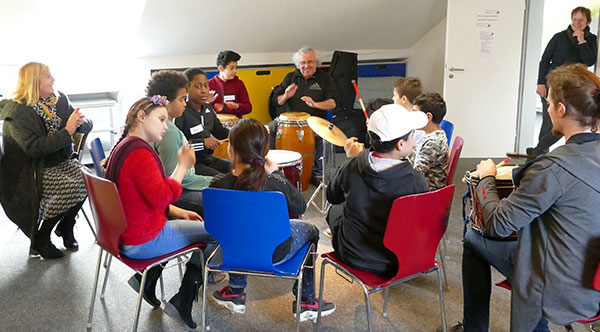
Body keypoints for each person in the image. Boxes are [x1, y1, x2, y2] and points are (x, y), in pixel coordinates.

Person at [456, 63, 600, 332]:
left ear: (561, 109)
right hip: (593, 278)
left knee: (473, 238)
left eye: (548, 103)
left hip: (562, 287)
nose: (546, 109)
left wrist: (486, 177)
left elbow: (497, 224)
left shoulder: (553, 169)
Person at [104, 96, 218, 331]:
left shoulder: (125, 145)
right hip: (142, 239)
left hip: (126, 234)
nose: (166, 126)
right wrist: (183, 166)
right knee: (217, 232)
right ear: (142, 116)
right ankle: (183, 300)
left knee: (190, 223)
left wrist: (176, 211)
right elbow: (162, 196)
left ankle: (146, 281)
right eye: (161, 119)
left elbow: (141, 195)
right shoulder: (139, 153)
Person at [209, 118, 336, 321]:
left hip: (231, 252)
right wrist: (276, 173)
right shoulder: (275, 183)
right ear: (264, 152)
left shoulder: (216, 184)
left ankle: (235, 290)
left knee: (239, 232)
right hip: (276, 252)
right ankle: (306, 300)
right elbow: (300, 207)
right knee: (312, 230)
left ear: (231, 150)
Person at [0, 62, 89, 259]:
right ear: (34, 81)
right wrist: (68, 131)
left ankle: (66, 226)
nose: (53, 79)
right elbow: (34, 149)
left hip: (59, 161)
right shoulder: (17, 112)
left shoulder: (57, 99)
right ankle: (43, 237)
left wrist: (81, 123)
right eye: (48, 76)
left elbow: (79, 122)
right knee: (69, 188)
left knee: (89, 181)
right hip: (31, 169)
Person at [326, 104, 429, 275]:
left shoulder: (352, 165)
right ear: (401, 144)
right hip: (396, 260)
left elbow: (333, 196)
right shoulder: (416, 180)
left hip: (353, 255)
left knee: (335, 209)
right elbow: (420, 223)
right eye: (413, 135)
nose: (414, 139)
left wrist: (352, 160)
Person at [527, 6, 597, 156]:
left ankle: (537, 152)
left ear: (588, 22)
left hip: (574, 87)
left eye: (581, 20)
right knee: (547, 123)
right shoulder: (559, 37)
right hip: (552, 84)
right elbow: (545, 60)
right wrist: (540, 83)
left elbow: (590, 61)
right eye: (575, 19)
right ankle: (540, 155)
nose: (577, 23)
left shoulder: (592, 40)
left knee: (565, 120)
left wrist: (581, 41)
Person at [146, 70, 212, 216]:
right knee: (219, 201)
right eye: (182, 99)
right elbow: (174, 177)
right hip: (174, 194)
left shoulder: (157, 122)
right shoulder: (168, 131)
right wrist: (213, 182)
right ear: (166, 102)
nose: (184, 104)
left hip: (174, 187)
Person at [269, 46, 338, 185]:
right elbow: (275, 102)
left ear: (316, 62)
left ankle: (318, 173)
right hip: (288, 120)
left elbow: (333, 103)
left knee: (327, 137)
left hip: (316, 120)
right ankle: (273, 170)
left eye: (310, 62)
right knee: (267, 130)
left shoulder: (325, 78)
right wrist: (285, 96)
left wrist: (315, 104)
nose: (306, 66)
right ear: (298, 64)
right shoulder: (291, 77)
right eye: (303, 63)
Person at [175, 68, 231, 176]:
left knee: (238, 170)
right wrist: (203, 143)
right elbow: (178, 147)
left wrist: (237, 133)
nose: (204, 90)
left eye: (206, 85)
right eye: (198, 86)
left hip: (209, 160)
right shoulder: (181, 113)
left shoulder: (208, 109)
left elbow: (220, 131)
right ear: (186, 89)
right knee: (223, 180)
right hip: (192, 164)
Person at [409, 93, 449, 191]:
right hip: (426, 186)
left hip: (427, 191)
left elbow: (416, 175)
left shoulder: (433, 143)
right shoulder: (434, 134)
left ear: (428, 117)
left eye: (415, 113)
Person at [208, 50, 252, 118]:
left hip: (236, 123)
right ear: (221, 68)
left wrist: (236, 106)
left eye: (236, 68)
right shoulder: (209, 84)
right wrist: (207, 102)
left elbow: (248, 108)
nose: (235, 71)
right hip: (215, 123)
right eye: (231, 68)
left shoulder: (239, 84)